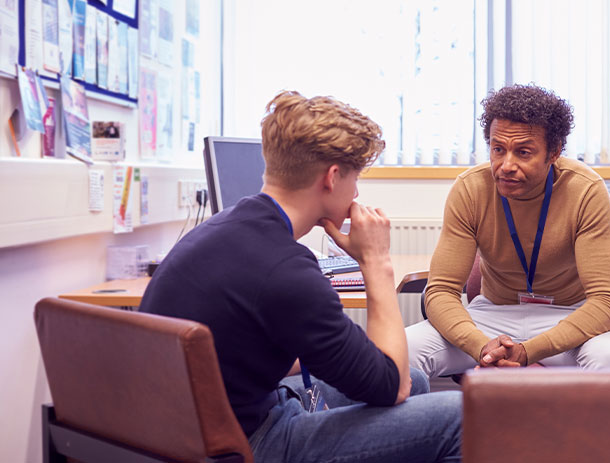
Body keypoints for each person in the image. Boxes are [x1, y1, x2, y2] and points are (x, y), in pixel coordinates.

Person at [139, 90, 461, 462]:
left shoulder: (223, 228)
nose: (356, 192)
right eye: (355, 178)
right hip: (248, 444)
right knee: (459, 417)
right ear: (333, 177)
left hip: (188, 430)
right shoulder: (287, 271)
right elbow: (392, 387)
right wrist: (376, 261)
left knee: (418, 378)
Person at [406, 84, 610, 377]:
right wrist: (482, 346)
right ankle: (427, 424)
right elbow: (440, 291)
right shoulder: (470, 189)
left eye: (523, 152)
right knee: (401, 352)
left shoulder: (585, 190)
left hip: (569, 317)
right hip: (492, 317)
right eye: (498, 149)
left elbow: (607, 301)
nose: (506, 165)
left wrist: (529, 351)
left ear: (554, 152)